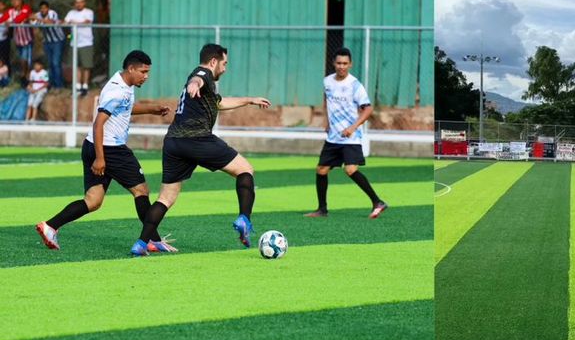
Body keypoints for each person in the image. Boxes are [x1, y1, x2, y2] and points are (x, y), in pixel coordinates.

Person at [134, 43, 271, 257]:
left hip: (173, 142)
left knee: (166, 198)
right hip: (196, 139)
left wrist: (249, 100)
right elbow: (196, 78)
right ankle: (244, 218)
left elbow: (219, 103)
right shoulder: (203, 74)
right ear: (213, 61)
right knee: (245, 170)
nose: (225, 68)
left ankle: (141, 244)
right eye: (224, 63)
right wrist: (194, 83)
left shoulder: (208, 85)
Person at [36, 51, 173, 252]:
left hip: (93, 146)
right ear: (131, 68)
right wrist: (101, 158)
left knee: (93, 201)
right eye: (143, 72)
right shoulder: (117, 90)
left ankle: (50, 226)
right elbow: (99, 123)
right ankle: (152, 239)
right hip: (110, 149)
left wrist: (151, 109)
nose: (146, 76)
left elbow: (124, 107)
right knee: (141, 191)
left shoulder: (123, 83)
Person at [304, 48, 387, 219]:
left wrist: (353, 127)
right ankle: (322, 210)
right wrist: (327, 123)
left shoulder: (355, 85)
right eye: (339, 63)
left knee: (350, 170)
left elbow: (368, 108)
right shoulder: (327, 81)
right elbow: (327, 102)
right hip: (333, 137)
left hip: (351, 137)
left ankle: (377, 202)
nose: (342, 66)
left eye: (345, 63)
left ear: (350, 64)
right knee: (321, 170)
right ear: (334, 63)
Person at [34, 0, 64, 89]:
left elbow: (50, 22)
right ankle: (51, 84)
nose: (43, 10)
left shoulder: (52, 13)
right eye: (41, 8)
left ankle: (59, 85)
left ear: (48, 8)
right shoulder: (38, 15)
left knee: (56, 63)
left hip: (57, 41)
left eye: (45, 8)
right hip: (47, 42)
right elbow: (33, 23)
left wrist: (37, 19)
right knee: (50, 63)